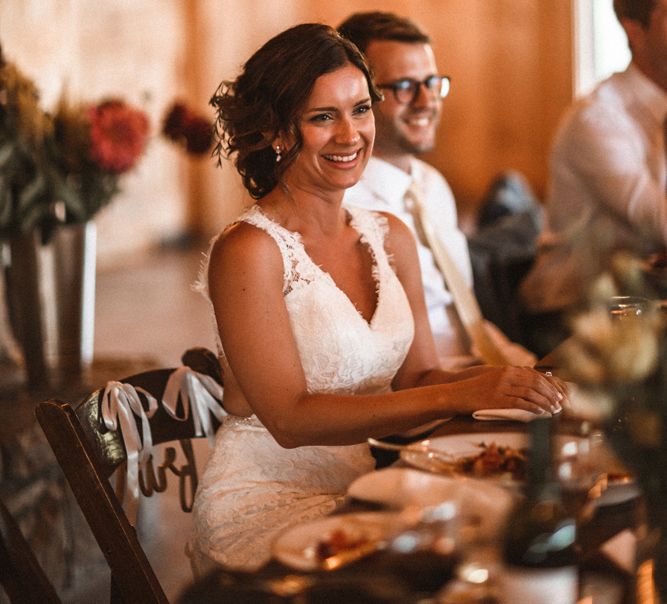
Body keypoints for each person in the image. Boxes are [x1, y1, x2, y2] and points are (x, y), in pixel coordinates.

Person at [190, 23, 565, 572]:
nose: (350, 135)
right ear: (274, 129)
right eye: (323, 117)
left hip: (368, 489)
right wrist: (456, 397)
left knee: (525, 522)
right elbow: (289, 420)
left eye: (361, 109)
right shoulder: (249, 250)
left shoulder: (390, 236)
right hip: (267, 501)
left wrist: (515, 382)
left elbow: (416, 379)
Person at [338, 11, 536, 368]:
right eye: (403, 87)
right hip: (423, 386)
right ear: (358, 98)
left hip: (480, 363)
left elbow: (459, 308)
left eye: (432, 82)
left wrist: (515, 361)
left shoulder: (431, 184)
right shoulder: (347, 206)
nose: (426, 100)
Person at [519, 0, 667, 356]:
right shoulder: (599, 119)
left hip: (647, 304)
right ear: (634, 28)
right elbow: (659, 224)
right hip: (572, 314)